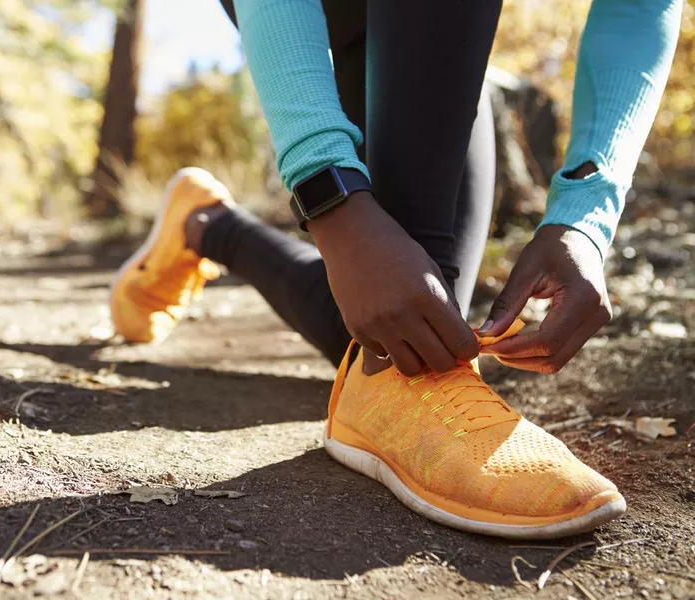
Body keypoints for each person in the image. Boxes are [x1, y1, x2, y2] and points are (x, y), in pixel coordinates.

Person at [111, 0, 682, 539]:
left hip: (431, 33)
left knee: (394, 328)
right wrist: (332, 200)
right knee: (394, 333)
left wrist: (584, 218)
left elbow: (641, 6)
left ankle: (205, 225)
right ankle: (398, 385)